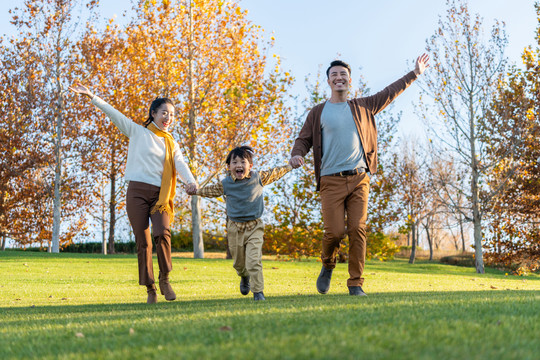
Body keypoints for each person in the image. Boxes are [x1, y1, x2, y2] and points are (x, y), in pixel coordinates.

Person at [289, 54, 430, 296]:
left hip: (358, 178)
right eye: (334, 75)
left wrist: (414, 73)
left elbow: (390, 92)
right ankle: (328, 264)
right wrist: (296, 154)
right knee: (334, 232)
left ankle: (356, 284)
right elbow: (304, 140)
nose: (339, 77)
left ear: (349, 80)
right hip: (330, 180)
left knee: (357, 229)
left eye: (343, 74)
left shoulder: (363, 106)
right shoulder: (318, 112)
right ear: (329, 81)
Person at [70, 83, 197, 304]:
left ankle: (165, 279)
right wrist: (92, 96)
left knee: (162, 232)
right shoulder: (137, 132)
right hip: (136, 192)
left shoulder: (171, 143)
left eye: (172, 114)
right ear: (154, 114)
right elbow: (115, 114)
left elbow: (181, 165)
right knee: (143, 242)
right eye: (164, 113)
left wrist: (191, 182)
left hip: (160, 196)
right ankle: (150, 289)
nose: (168, 117)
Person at [187, 146, 291, 301]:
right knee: (239, 263)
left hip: (254, 226)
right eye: (234, 162)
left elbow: (275, 173)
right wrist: (196, 191)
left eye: (243, 161)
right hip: (235, 227)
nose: (239, 165)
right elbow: (212, 191)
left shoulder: (259, 178)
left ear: (250, 166)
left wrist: (290, 166)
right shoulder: (226, 184)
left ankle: (258, 292)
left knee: (253, 260)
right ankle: (244, 277)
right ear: (228, 167)